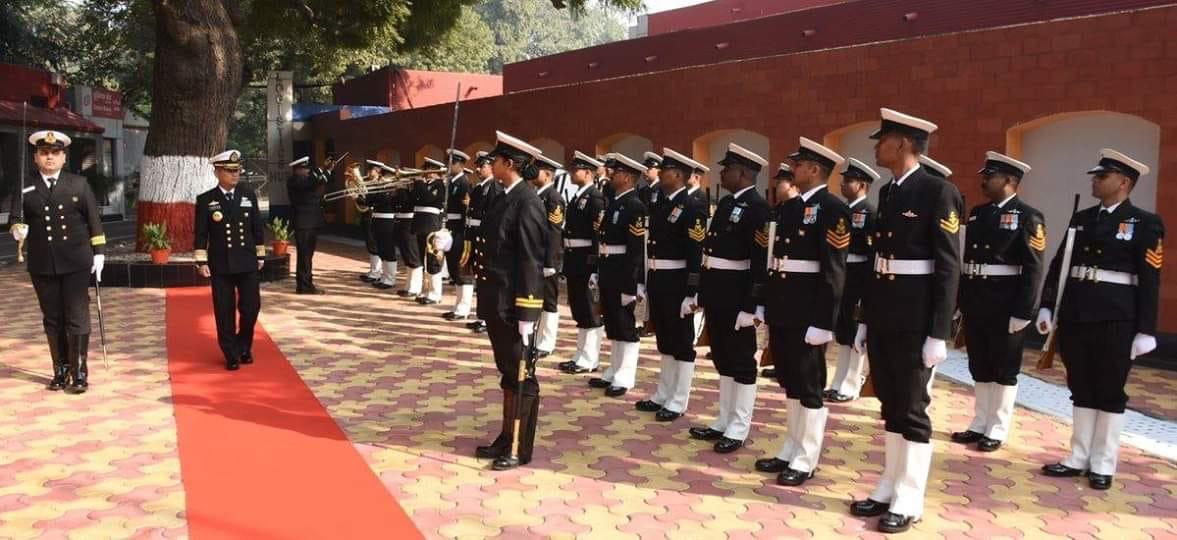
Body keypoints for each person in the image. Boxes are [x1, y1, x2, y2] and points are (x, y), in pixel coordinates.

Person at [850, 109, 962, 534]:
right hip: (885, 313)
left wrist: (939, 332)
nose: (877, 148)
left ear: (904, 144)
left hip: (916, 318)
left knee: (912, 409)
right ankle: (889, 485)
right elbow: (878, 262)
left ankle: (909, 498)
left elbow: (948, 267)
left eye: (883, 140)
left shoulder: (939, 191)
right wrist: (865, 318)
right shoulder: (890, 192)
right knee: (891, 404)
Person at [1038, 148, 1163, 491]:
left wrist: (1146, 329)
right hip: (1077, 315)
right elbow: (1060, 264)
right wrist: (1047, 305)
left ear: (1123, 182)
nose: (1095, 181)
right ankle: (1078, 456)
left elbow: (1150, 279)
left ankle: (1103, 463)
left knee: (1109, 390)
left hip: (1116, 319)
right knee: (1080, 386)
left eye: (1102, 176)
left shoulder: (1144, 223)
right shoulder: (1082, 218)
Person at [755, 138, 849, 486]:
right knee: (790, 381)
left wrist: (824, 321)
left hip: (809, 313)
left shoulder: (833, 209)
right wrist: (766, 303)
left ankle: (806, 458)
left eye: (798, 165)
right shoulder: (791, 207)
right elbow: (777, 262)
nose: (792, 170)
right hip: (784, 308)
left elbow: (834, 271)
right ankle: (790, 448)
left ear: (814, 169)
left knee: (809, 386)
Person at [951, 152, 1045, 453]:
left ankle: (998, 427)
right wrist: (961, 301)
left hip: (1006, 304)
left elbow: (1033, 268)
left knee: (1004, 367)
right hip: (977, 300)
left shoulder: (1028, 216)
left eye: (990, 176)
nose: (984, 181)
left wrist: (1024, 311)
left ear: (1009, 180)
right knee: (980, 364)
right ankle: (980, 422)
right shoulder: (978, 214)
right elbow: (965, 261)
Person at [687, 143, 770, 454]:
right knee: (723, 359)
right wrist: (702, 292)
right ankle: (724, 419)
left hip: (737, 297)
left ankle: (739, 426)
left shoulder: (758, 208)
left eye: (727, 168)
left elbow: (759, 262)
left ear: (743, 173)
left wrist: (752, 305)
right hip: (717, 293)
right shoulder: (725, 204)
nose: (721, 173)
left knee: (742, 361)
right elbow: (709, 254)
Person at [7, 130, 105, 393]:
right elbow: (15, 219)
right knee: (52, 317)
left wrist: (99, 252)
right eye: (44, 153)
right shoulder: (26, 186)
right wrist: (17, 229)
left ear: (63, 157)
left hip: (76, 261)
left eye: (54, 153)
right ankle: (60, 370)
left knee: (77, 315)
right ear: (36, 157)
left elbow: (94, 220)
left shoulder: (78, 184)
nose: (49, 157)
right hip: (43, 263)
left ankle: (79, 372)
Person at [472, 131, 547, 471]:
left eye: (496, 160)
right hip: (496, 300)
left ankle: (519, 447)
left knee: (522, 376)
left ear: (509, 164)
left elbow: (531, 259)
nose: (492, 165)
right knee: (507, 372)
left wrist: (528, 312)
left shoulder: (527, 202)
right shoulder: (503, 196)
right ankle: (505, 436)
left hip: (515, 305)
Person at [633, 148, 707, 422]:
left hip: (677, 283)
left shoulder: (692, 206)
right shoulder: (662, 204)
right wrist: (644, 281)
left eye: (664, 170)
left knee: (682, 342)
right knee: (664, 340)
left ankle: (678, 400)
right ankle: (663, 394)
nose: (659, 174)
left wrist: (692, 292)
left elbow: (695, 254)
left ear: (677, 175)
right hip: (659, 280)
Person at [194, 150, 266, 371]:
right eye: (230, 171)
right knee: (224, 310)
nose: (235, 174)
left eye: (237, 170)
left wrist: (260, 254)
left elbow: (257, 227)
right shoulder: (206, 200)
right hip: (221, 263)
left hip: (246, 260)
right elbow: (201, 233)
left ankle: (244, 345)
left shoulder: (248, 195)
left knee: (251, 307)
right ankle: (230, 352)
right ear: (217, 172)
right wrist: (201, 261)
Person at [587, 153, 648, 398]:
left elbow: (635, 251)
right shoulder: (615, 201)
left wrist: (631, 286)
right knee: (613, 323)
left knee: (625, 325)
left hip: (623, 272)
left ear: (628, 177)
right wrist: (597, 271)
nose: (612, 174)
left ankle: (625, 375)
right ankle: (613, 369)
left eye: (617, 172)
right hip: (609, 269)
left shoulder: (635, 206)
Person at [825, 158, 880, 402]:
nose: (843, 184)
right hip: (844, 275)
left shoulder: (869, 212)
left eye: (848, 180)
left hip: (859, 277)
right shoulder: (845, 210)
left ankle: (851, 384)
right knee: (844, 332)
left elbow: (870, 253)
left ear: (862, 185)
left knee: (856, 332)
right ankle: (838, 382)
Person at [557, 152, 608, 374]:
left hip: (586, 261)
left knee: (589, 310)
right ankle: (580, 354)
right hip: (574, 259)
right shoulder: (579, 196)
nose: (571, 173)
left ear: (588, 173)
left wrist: (595, 266)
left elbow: (598, 236)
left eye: (576, 169)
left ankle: (590, 358)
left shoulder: (595, 198)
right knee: (579, 308)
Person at [463, 152, 504, 332]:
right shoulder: (480, 188)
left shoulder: (495, 187)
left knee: (487, 281)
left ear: (492, 167)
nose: (478, 169)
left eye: (483, 166)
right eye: (478, 166)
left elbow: (493, 217)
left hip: (484, 238)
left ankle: (488, 319)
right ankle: (482, 317)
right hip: (474, 236)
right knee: (479, 279)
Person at [531, 154, 567, 358]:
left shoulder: (553, 198)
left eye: (537, 171)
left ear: (547, 174)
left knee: (549, 301)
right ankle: (537, 338)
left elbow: (554, 232)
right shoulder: (537, 194)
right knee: (536, 299)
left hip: (547, 258)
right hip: (535, 255)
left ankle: (547, 342)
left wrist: (549, 262)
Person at [286, 156, 329, 294]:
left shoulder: (305, 182)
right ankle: (304, 286)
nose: (307, 171)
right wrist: (322, 169)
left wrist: (327, 171)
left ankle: (306, 283)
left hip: (310, 223)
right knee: (304, 256)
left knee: (307, 256)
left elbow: (318, 182)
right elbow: (312, 182)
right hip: (304, 224)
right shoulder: (295, 181)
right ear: (297, 170)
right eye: (305, 169)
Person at [413, 158, 447, 304]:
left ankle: (435, 294)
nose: (425, 172)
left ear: (435, 171)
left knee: (432, 260)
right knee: (423, 259)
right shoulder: (424, 185)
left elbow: (428, 199)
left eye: (428, 169)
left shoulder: (439, 185)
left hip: (431, 225)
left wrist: (419, 184)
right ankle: (425, 289)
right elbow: (413, 200)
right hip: (421, 224)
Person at [443, 149, 472, 311]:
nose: (449, 166)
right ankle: (458, 305)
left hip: (459, 229)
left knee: (460, 268)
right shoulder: (451, 182)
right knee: (453, 267)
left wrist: (462, 232)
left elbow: (465, 210)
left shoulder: (463, 183)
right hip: (449, 226)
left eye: (452, 163)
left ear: (460, 165)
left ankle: (463, 307)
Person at [358, 162, 383, 283]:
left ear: (377, 171)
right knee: (369, 243)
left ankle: (376, 272)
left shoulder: (380, 184)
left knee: (374, 244)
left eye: (371, 170)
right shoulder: (366, 182)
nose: (368, 172)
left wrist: (361, 198)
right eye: (368, 170)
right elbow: (362, 199)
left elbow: (372, 200)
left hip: (374, 215)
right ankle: (373, 270)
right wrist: (356, 196)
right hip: (366, 215)